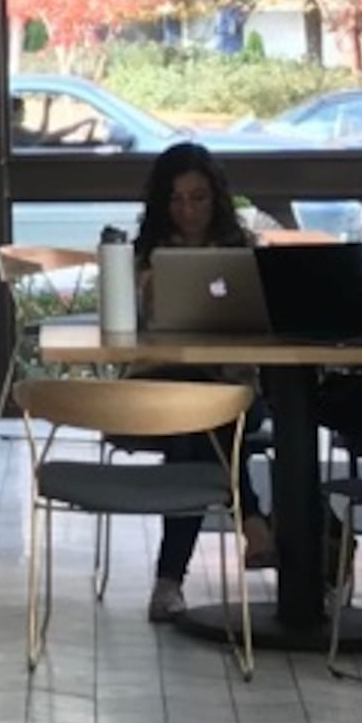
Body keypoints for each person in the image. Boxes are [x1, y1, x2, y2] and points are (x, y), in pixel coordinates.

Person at [134, 140, 278, 618]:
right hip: (163, 387)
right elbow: (127, 334)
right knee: (191, 416)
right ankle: (253, 520)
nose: (187, 210)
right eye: (176, 199)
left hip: (233, 389)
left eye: (197, 198)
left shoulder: (241, 253)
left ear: (215, 198)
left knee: (195, 428)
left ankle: (168, 581)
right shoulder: (145, 256)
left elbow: (265, 327)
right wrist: (144, 295)